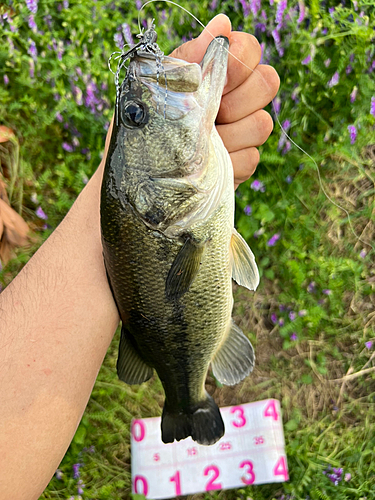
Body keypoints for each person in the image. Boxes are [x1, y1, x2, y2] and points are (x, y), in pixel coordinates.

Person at [0, 14, 279, 499]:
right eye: (137, 116)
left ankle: (182, 396)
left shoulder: (162, 204)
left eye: (132, 116)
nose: (136, 114)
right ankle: (187, 396)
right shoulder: (160, 206)